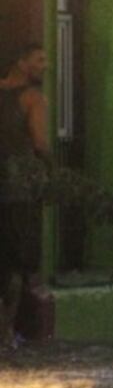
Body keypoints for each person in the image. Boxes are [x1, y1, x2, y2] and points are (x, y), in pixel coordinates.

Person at [0, 43, 50, 350]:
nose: (45, 65)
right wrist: (53, 171)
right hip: (18, 188)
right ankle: (6, 331)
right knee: (17, 261)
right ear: (21, 62)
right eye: (39, 60)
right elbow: (41, 143)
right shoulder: (33, 98)